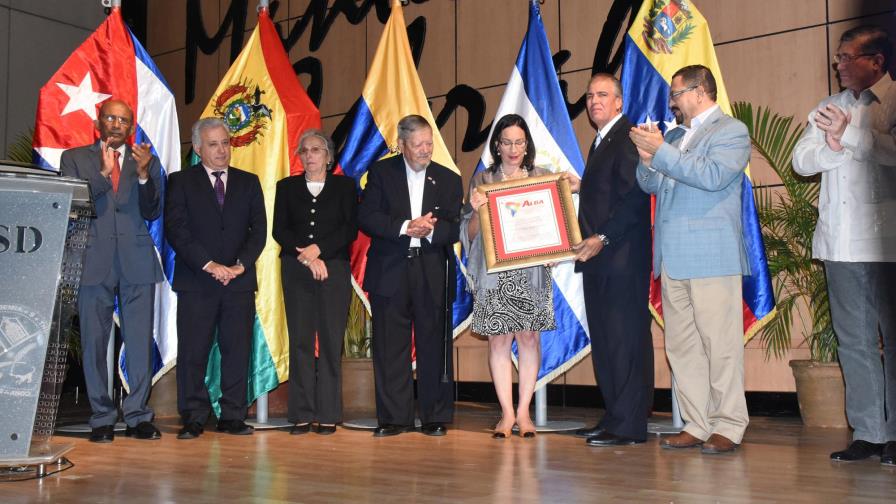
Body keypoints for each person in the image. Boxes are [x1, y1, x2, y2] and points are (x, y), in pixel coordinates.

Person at [630, 64, 751, 454]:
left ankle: (729, 424)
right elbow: (651, 185)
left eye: (677, 93)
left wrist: (660, 151)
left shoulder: (731, 131)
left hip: (712, 256)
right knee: (682, 347)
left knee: (721, 345)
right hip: (672, 257)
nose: (673, 102)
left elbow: (712, 176)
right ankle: (697, 423)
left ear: (700, 91)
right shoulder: (677, 135)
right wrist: (646, 159)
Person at [792, 25, 896, 465]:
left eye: (847, 57)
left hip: (887, 244)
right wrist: (833, 145)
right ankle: (870, 433)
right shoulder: (829, 106)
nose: (839, 64)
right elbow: (801, 159)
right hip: (840, 244)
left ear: (876, 61)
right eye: (838, 58)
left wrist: (848, 137)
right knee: (853, 340)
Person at [60, 99, 163, 442]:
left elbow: (153, 211)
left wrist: (147, 174)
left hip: (136, 262)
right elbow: (74, 206)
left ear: (131, 126)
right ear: (98, 121)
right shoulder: (74, 158)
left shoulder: (144, 159)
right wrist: (103, 175)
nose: (117, 124)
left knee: (138, 343)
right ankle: (101, 416)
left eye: (124, 120)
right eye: (111, 118)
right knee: (93, 342)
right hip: (93, 259)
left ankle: (138, 415)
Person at [358, 114, 463, 437]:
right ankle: (394, 418)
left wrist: (429, 232)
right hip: (391, 268)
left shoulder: (448, 178)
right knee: (390, 346)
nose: (424, 150)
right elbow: (367, 217)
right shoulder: (380, 172)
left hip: (431, 268)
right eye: (417, 144)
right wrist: (406, 227)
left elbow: (455, 226)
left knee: (435, 344)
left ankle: (435, 417)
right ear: (401, 145)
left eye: (429, 143)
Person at [164, 117, 267, 439]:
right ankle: (194, 417)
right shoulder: (180, 181)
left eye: (225, 143)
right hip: (198, 281)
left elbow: (259, 231)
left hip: (238, 281)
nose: (221, 150)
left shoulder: (249, 182)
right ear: (197, 148)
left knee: (237, 351)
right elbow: (176, 231)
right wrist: (209, 264)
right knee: (194, 352)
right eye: (213, 144)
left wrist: (240, 265)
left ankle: (233, 415)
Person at [460, 114, 555, 439]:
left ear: (526, 145)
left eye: (519, 142)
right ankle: (506, 413)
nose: (513, 149)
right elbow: (470, 235)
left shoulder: (542, 178)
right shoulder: (482, 181)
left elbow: (553, 226)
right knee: (499, 341)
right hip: (494, 274)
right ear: (497, 146)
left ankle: (525, 413)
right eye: (506, 142)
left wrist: (552, 250)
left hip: (530, 273)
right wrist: (475, 210)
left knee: (529, 338)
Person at [571, 75, 653, 447]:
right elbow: (606, 191)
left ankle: (630, 425)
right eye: (589, 96)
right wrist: (580, 185)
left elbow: (635, 198)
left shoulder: (628, 137)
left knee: (625, 340)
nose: (594, 101)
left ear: (619, 101)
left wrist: (602, 237)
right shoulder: (603, 140)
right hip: (600, 260)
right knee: (606, 340)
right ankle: (615, 414)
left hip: (620, 257)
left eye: (602, 95)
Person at [273, 129, 357, 436]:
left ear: (329, 156)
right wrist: (308, 257)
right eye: (304, 151)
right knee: (301, 341)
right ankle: (302, 413)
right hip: (296, 270)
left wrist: (319, 250)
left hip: (333, 269)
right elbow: (279, 230)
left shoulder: (345, 187)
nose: (310, 156)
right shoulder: (287, 187)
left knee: (332, 342)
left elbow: (349, 229)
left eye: (316, 150)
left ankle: (329, 414)